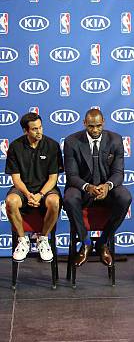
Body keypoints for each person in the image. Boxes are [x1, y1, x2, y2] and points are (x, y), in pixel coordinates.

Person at [63, 108, 132, 267]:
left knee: (125, 197)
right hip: (83, 190)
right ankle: (86, 243)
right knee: (69, 197)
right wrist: (88, 187)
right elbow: (72, 176)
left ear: (104, 123)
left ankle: (102, 242)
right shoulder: (72, 142)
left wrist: (107, 186)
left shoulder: (115, 140)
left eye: (98, 126)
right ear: (84, 123)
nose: (95, 130)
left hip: (106, 191)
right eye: (91, 126)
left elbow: (118, 173)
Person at [5, 112, 62, 262]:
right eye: (35, 129)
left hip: (45, 190)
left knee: (55, 202)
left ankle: (43, 239)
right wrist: (28, 194)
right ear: (25, 130)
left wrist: (40, 195)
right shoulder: (15, 147)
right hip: (23, 190)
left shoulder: (52, 146)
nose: (39, 131)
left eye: (40, 127)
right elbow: (16, 179)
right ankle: (23, 241)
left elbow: (53, 178)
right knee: (10, 201)